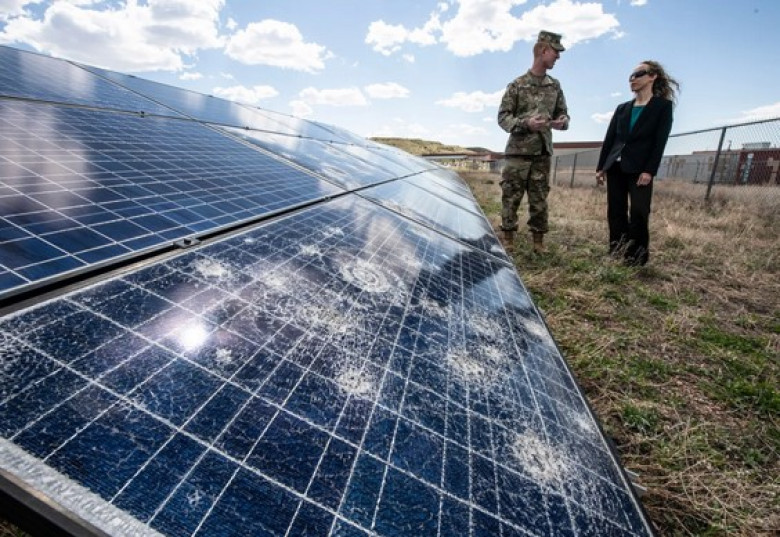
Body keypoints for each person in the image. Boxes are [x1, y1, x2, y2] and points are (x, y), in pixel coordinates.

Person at [595, 61, 679, 266]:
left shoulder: (662, 107)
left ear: (652, 76)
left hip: (640, 170)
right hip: (616, 166)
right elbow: (610, 139)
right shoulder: (622, 108)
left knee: (639, 212)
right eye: (631, 76)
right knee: (616, 210)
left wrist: (649, 170)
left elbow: (659, 142)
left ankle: (636, 257)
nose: (633, 79)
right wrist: (601, 167)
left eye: (639, 74)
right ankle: (617, 250)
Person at [497, 30, 569, 253]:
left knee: (539, 198)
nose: (558, 57)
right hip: (518, 153)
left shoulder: (554, 86)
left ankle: (538, 242)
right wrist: (526, 123)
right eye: (555, 52)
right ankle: (508, 238)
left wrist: (562, 122)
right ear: (543, 50)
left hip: (542, 154)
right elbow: (503, 117)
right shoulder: (517, 85)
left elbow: (564, 114)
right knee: (511, 196)